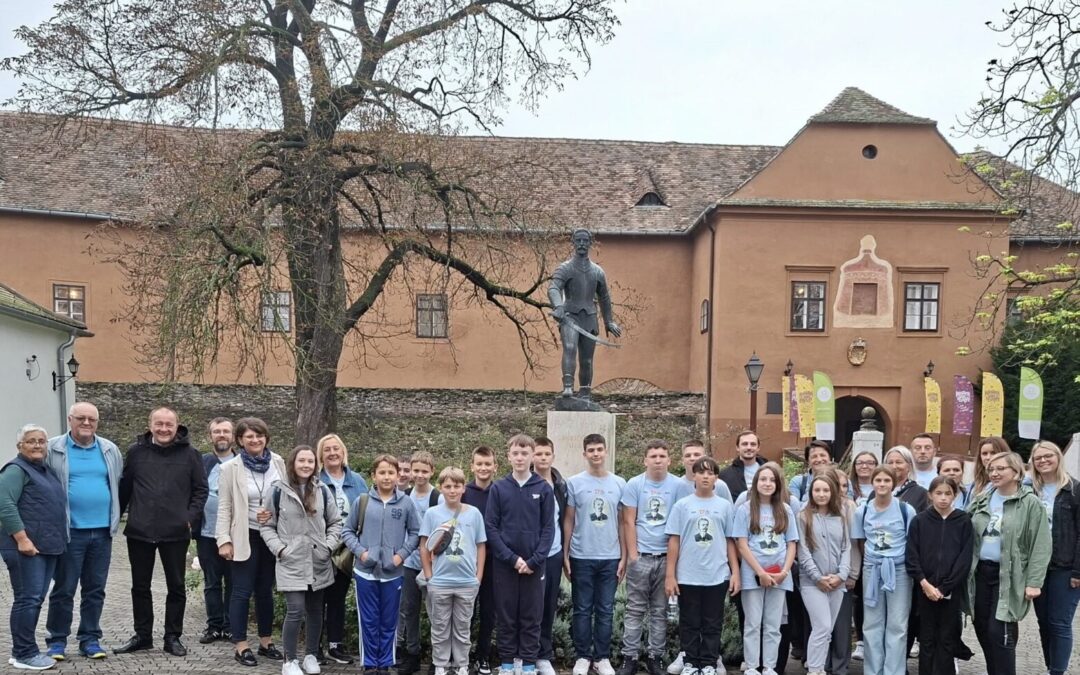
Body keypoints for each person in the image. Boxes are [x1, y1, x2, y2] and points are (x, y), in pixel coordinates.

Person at [116, 407, 208, 657]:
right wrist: (116, 519)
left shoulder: (191, 455)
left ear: (177, 426)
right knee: (140, 587)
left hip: (175, 531)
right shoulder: (136, 453)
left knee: (176, 586)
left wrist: (189, 518)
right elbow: (125, 487)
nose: (164, 429)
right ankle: (143, 636)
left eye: (169, 424)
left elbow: (201, 490)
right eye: (159, 424)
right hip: (140, 530)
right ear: (150, 425)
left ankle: (172, 636)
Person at [43, 402, 123, 660]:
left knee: (95, 589)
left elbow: (116, 483)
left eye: (92, 419)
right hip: (70, 532)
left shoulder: (109, 449)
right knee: (64, 589)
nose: (86, 423)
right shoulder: (54, 448)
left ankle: (89, 639)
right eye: (81, 418)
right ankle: (56, 641)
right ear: (70, 420)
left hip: (101, 533)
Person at [967, 450, 1051, 675]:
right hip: (980, 573)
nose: (994, 473)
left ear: (1016, 472)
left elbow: (1041, 545)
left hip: (1009, 575)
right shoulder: (982, 498)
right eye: (991, 469)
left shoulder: (1031, 504)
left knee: (1000, 631)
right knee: (983, 628)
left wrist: (1034, 582)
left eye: (1000, 468)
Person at [262, 445, 342, 675]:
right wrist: (280, 549)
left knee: (316, 610)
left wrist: (328, 546)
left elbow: (336, 522)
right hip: (291, 561)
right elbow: (267, 526)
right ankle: (289, 660)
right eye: (301, 461)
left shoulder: (323, 490)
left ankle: (310, 655)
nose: (306, 465)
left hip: (318, 559)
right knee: (295, 609)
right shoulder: (277, 491)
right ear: (293, 463)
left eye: (310, 461)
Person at [216, 417, 287, 666]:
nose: (255, 440)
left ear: (266, 438)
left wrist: (274, 512)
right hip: (244, 535)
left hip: (272, 535)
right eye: (249, 436)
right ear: (240, 440)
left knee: (266, 591)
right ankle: (241, 645)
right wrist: (223, 540)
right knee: (242, 591)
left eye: (259, 435)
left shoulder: (278, 463)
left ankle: (266, 642)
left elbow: (286, 498)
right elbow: (224, 507)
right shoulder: (230, 469)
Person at [342, 454, 419, 675]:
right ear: (373, 476)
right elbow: (347, 531)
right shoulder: (363, 501)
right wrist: (362, 553)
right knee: (368, 620)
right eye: (382, 472)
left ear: (398, 475)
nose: (386, 477)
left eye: (391, 472)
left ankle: (385, 663)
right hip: (365, 572)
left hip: (393, 573)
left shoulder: (406, 503)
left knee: (389, 621)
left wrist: (401, 555)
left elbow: (415, 533)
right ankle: (369, 664)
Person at [485, 434, 556, 675]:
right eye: (515, 453)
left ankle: (527, 665)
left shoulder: (544, 489)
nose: (520, 457)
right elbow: (491, 528)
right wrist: (512, 559)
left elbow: (549, 529)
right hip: (505, 565)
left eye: (524, 453)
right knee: (506, 616)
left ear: (532, 456)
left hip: (534, 567)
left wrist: (534, 560)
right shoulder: (499, 488)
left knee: (531, 617)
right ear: (508, 456)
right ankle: (506, 665)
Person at [1, 424, 67, 671]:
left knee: (35, 598)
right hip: (25, 547)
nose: (38, 445)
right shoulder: (16, 470)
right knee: (27, 599)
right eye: (31, 441)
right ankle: (23, 653)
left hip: (45, 546)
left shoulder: (44, 470)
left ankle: (24, 650)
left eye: (41, 441)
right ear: (20, 446)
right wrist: (22, 539)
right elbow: (5, 504)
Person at [664, 457, 738, 675]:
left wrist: (735, 572)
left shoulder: (724, 506)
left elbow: (730, 540)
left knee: (712, 622)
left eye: (711, 472)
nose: (706, 476)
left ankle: (708, 662)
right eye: (701, 472)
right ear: (694, 476)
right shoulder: (682, 506)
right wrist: (670, 575)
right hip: (688, 575)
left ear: (716, 477)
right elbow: (674, 541)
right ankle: (690, 662)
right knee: (689, 622)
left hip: (717, 575)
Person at [618, 440, 684, 675]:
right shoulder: (635, 484)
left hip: (666, 557)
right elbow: (628, 520)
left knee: (659, 610)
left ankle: (655, 657)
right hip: (642, 557)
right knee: (634, 609)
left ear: (669, 460)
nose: (658, 460)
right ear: (645, 460)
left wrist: (673, 564)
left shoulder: (677, 485)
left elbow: (678, 526)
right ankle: (630, 657)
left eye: (662, 456)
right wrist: (633, 555)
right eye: (653, 456)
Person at [564, 433, 627, 675]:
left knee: (605, 609)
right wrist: (566, 554)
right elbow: (569, 520)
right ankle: (582, 656)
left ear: (606, 451)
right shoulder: (574, 483)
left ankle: (602, 657)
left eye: (600, 449)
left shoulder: (619, 483)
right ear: (584, 454)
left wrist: (623, 556)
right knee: (581, 608)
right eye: (591, 450)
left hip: (610, 557)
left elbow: (623, 522)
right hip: (582, 555)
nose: (596, 453)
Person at [420, 467, 488, 675]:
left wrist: (478, 577)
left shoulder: (474, 514)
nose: (452, 490)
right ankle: (440, 664)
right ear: (440, 488)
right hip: (440, 582)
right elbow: (424, 545)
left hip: (467, 582)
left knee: (462, 627)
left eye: (457, 486)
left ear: (464, 488)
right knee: (440, 626)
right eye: (447, 486)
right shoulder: (432, 514)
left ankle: (461, 664)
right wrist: (429, 576)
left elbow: (480, 546)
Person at [734, 462, 798, 675]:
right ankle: (752, 666)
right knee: (753, 624)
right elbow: (741, 543)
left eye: (772, 480)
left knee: (773, 625)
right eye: (763, 479)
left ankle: (769, 666)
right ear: (755, 483)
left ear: (778, 484)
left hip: (780, 575)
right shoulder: (745, 509)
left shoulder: (785, 509)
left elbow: (791, 543)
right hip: (753, 574)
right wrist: (759, 572)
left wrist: (784, 572)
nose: (767, 483)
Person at [905, 476, 973, 675]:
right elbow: (912, 555)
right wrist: (924, 583)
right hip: (925, 589)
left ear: (955, 495)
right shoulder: (920, 520)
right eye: (938, 493)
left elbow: (964, 558)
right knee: (926, 638)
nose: (943, 498)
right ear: (930, 495)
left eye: (948, 493)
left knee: (946, 637)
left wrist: (945, 587)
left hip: (950, 591)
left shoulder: (963, 520)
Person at [852, 466, 916, 675]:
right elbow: (861, 542)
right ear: (872, 482)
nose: (882, 484)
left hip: (899, 570)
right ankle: (873, 670)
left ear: (893, 483)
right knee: (872, 624)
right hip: (873, 569)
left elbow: (911, 541)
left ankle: (894, 671)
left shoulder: (906, 510)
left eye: (886, 481)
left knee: (897, 625)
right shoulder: (862, 510)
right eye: (878, 480)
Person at [549, 228, 622, 400]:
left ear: (590, 243)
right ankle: (567, 387)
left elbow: (604, 297)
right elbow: (553, 287)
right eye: (578, 240)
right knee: (569, 347)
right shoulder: (565, 268)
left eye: (585, 241)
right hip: (569, 317)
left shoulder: (598, 272)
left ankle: (585, 392)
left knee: (587, 360)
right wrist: (558, 306)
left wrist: (609, 321)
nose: (581, 244)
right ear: (573, 243)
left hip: (589, 318)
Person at [1029, 440, 1080, 675]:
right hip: (1038, 567)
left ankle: (1057, 672)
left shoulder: (1074, 490)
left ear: (1058, 457)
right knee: (1043, 623)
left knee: (1059, 622)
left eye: (1048, 456)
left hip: (1065, 567)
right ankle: (1051, 667)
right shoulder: (1030, 490)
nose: (1043, 460)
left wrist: (1078, 570)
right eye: (1038, 457)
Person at [317, 433, 368, 665]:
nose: (332, 453)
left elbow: (367, 510)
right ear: (321, 455)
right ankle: (313, 645)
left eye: (336, 448)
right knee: (317, 598)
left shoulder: (356, 480)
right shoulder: (315, 478)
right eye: (327, 449)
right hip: (321, 546)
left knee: (337, 597)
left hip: (347, 550)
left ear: (343, 451)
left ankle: (335, 645)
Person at [796, 474, 850, 675]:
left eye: (825, 490)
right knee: (822, 627)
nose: (821, 494)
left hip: (837, 582)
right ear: (811, 492)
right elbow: (803, 550)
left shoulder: (841, 515)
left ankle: (819, 670)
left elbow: (846, 547)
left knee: (827, 631)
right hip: (812, 583)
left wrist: (841, 575)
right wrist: (817, 577)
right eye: (817, 490)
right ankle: (815, 669)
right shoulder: (803, 516)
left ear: (832, 492)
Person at [195, 417, 236, 645]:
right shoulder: (202, 462)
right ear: (210, 436)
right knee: (211, 582)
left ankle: (230, 626)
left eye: (226, 431)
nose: (221, 435)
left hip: (235, 535)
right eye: (217, 431)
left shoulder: (243, 462)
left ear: (233, 436)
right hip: (206, 533)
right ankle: (214, 626)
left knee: (232, 581)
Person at [399, 451, 440, 675]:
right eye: (416, 470)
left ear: (432, 471)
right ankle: (412, 654)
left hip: (432, 564)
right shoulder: (405, 496)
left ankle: (437, 657)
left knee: (434, 611)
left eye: (424, 471)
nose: (420, 475)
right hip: (409, 562)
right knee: (409, 610)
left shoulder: (438, 497)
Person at [531, 437, 568, 675]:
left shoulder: (560, 485)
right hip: (530, 555)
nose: (543, 458)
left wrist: (564, 552)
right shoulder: (524, 483)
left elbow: (563, 520)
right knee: (527, 606)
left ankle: (543, 655)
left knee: (548, 605)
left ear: (553, 456)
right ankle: (524, 653)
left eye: (547, 454)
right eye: (539, 453)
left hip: (553, 554)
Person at [463, 445, 500, 675]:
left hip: (494, 561)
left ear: (495, 467)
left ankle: (483, 656)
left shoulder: (501, 491)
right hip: (467, 561)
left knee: (489, 612)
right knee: (467, 612)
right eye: (479, 464)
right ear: (472, 466)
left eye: (488, 464)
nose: (483, 468)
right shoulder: (464, 492)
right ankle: (462, 656)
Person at [824, 467, 861, 675]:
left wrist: (852, 573)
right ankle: (823, 664)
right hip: (820, 577)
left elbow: (854, 543)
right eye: (837, 485)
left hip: (844, 575)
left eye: (845, 485)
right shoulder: (816, 507)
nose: (841, 489)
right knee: (822, 624)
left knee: (841, 625)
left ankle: (839, 667)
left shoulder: (850, 506)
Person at [846, 451, 876, 662]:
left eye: (869, 463)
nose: (864, 466)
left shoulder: (881, 487)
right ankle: (860, 642)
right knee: (858, 599)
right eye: (860, 462)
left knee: (871, 598)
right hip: (853, 549)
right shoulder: (847, 487)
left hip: (875, 551)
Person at [718, 432, 765, 501]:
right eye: (745, 444)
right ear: (737, 447)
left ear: (758, 448)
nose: (749, 447)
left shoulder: (770, 472)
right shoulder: (725, 475)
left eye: (753, 444)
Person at [788, 440, 833, 504]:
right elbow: (795, 508)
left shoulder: (841, 481)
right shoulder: (797, 482)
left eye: (822, 455)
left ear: (830, 458)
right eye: (814, 456)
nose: (819, 459)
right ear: (808, 461)